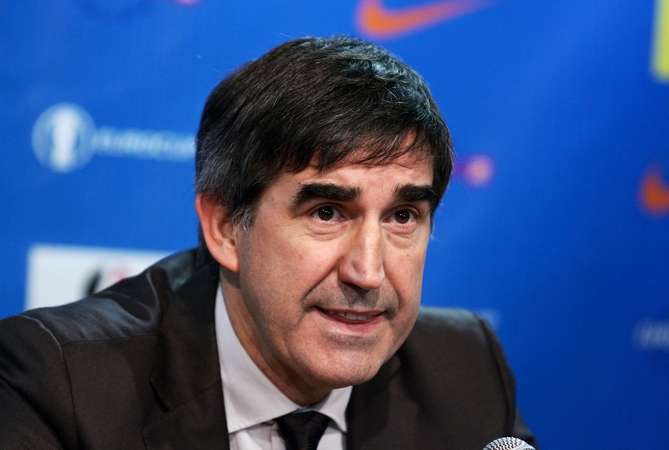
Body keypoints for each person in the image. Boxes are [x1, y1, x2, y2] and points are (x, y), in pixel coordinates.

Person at [0, 36, 537, 449]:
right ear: (225, 226)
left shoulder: (465, 368)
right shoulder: (64, 385)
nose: (368, 272)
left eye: (402, 216)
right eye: (327, 213)